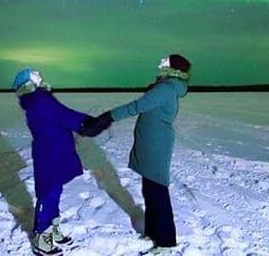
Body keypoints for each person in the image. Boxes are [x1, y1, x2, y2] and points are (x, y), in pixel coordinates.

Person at [80, 54, 191, 255]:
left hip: (156, 145)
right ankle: (153, 230)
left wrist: (107, 118)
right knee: (149, 190)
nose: (160, 64)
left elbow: (136, 107)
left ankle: (166, 242)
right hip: (151, 143)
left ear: (172, 69)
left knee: (157, 191)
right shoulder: (165, 87)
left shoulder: (165, 89)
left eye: (164, 62)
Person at [13, 67, 90, 256]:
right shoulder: (38, 99)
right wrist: (89, 123)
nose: (38, 73)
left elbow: (61, 114)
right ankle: (42, 237)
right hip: (49, 153)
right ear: (28, 81)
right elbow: (64, 115)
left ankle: (52, 228)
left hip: (54, 150)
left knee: (55, 191)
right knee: (48, 193)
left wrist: (87, 122)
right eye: (34, 73)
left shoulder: (39, 97)